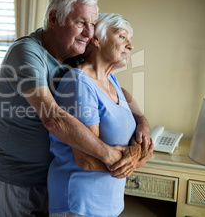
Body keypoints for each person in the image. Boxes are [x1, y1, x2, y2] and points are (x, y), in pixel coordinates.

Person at [0, 0, 151, 217]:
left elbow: (114, 89)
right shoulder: (27, 53)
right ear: (54, 18)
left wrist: (141, 120)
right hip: (17, 178)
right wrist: (113, 157)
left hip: (52, 178)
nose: (89, 33)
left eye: (92, 25)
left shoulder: (75, 54)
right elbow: (53, 119)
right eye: (81, 23)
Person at [48, 13, 153, 217]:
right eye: (122, 37)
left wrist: (143, 121)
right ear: (97, 39)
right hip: (80, 203)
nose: (130, 46)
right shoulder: (80, 83)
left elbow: (126, 98)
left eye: (131, 40)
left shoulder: (110, 79)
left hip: (107, 202)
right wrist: (138, 158)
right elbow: (86, 158)